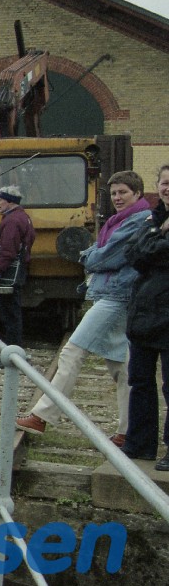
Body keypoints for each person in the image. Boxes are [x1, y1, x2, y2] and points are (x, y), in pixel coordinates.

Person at [17, 170, 150, 439]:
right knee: (121, 366)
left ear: (138, 193)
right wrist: (96, 254)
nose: (117, 198)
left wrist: (91, 256)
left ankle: (43, 415)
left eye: (123, 192)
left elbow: (105, 258)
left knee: (72, 352)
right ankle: (127, 431)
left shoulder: (136, 222)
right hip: (114, 294)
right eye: (113, 193)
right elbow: (103, 253)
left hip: (116, 296)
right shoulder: (120, 220)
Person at [123, 164, 169, 468]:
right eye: (164, 183)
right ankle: (140, 445)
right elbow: (133, 254)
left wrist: (152, 247)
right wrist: (158, 235)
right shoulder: (152, 218)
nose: (167, 188)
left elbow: (151, 253)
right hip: (144, 317)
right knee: (139, 381)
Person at [0, 186, 34, 346]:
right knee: (13, 313)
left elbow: (7, 252)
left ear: (10, 201)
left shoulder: (11, 221)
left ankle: (12, 352)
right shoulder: (24, 217)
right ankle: (13, 350)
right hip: (18, 271)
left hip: (8, 275)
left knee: (9, 315)